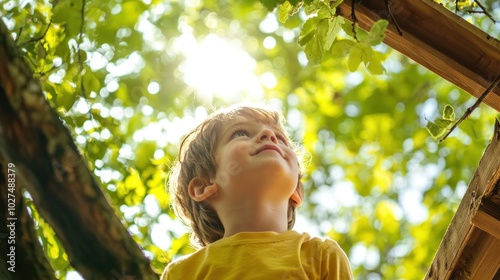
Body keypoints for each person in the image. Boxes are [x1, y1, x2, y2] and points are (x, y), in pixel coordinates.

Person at [162, 104, 353, 279]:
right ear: (203, 185)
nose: (268, 134)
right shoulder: (183, 273)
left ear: (296, 191)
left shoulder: (321, 255)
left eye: (280, 139)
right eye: (240, 133)